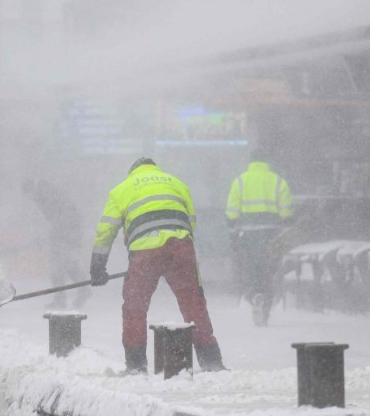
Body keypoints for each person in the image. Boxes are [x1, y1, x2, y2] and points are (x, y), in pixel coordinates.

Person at [90, 157, 225, 373]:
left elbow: (106, 230)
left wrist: (97, 267)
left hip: (145, 250)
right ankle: (212, 361)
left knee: (135, 306)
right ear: (154, 168)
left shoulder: (121, 190)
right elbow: (190, 221)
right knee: (193, 301)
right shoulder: (176, 183)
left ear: (133, 172)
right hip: (180, 245)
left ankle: (136, 365)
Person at [225, 152, 293, 325]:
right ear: (266, 162)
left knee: (251, 269)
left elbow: (232, 211)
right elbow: (286, 212)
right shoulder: (278, 181)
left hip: (248, 234)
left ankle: (254, 294)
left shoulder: (240, 181)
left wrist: (233, 228)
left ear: (251, 162)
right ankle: (266, 309)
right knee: (268, 271)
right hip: (272, 234)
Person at [21, 178, 89, 309]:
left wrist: (55, 234)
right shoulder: (44, 192)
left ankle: (64, 298)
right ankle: (80, 290)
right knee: (66, 264)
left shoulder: (45, 193)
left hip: (66, 233)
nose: (29, 199)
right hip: (68, 232)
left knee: (57, 265)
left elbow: (60, 215)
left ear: (30, 190)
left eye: (28, 196)